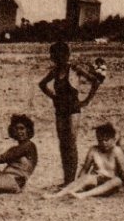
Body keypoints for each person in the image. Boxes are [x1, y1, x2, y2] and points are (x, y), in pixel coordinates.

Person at [37, 40, 103, 185]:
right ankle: (67, 179)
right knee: (63, 144)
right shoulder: (54, 71)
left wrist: (86, 101)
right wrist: (53, 96)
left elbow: (96, 82)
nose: (57, 57)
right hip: (60, 110)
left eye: (61, 54)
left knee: (71, 143)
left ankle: (71, 180)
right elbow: (41, 84)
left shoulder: (74, 69)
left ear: (66, 55)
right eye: (55, 55)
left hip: (73, 110)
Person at [51, 122, 124, 198]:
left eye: (106, 140)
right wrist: (79, 182)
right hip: (96, 180)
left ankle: (84, 195)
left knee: (118, 180)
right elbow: (85, 169)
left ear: (113, 139)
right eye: (100, 140)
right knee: (87, 177)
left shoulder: (117, 151)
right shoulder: (93, 149)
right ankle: (59, 194)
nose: (103, 143)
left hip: (109, 185)